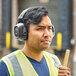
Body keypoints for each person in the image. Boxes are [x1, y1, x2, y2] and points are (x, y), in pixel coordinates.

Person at [0, 6, 71, 76]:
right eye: (40, 28)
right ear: (23, 32)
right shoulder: (7, 65)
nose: (47, 34)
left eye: (49, 28)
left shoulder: (54, 61)